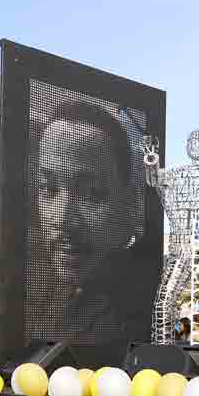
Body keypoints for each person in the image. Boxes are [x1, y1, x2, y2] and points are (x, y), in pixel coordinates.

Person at [30, 98, 156, 342]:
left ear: (130, 204)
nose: (63, 218)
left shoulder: (130, 308)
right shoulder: (39, 292)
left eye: (90, 193)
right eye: (48, 188)